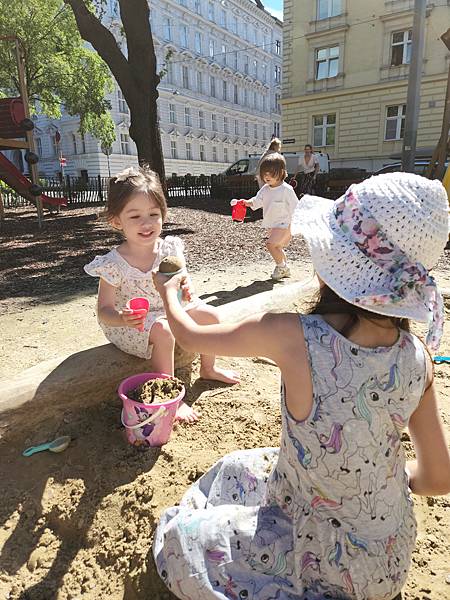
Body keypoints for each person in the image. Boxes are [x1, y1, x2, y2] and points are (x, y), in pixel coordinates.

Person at [152, 172, 450, 600]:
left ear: (335, 261)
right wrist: (377, 479)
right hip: (386, 564)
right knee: (244, 465)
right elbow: (438, 478)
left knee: (181, 538)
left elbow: (192, 338)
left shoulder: (295, 337)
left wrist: (169, 295)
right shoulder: (417, 356)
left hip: (321, 560)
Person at [84, 166, 239, 423]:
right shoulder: (113, 263)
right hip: (131, 323)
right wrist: (123, 318)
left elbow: (183, 287)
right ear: (116, 221)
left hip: (169, 307)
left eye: (154, 214)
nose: (146, 223)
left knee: (212, 315)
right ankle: (170, 398)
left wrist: (186, 291)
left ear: (163, 215)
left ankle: (209, 368)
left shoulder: (170, 248)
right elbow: (104, 311)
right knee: (165, 331)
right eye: (135, 217)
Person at [244, 153, 298, 280]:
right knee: (277, 247)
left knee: (270, 244)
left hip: (285, 224)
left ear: (281, 172)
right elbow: (257, 201)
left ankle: (281, 267)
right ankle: (285, 267)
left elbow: (297, 207)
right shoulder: (265, 189)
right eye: (264, 173)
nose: (266, 176)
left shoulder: (287, 190)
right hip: (272, 224)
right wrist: (246, 202)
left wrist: (299, 223)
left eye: (270, 173)